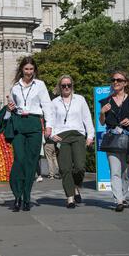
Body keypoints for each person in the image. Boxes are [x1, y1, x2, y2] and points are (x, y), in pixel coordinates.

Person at [5, 56, 54, 212]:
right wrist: (10, 107)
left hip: (34, 123)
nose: (29, 72)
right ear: (22, 70)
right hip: (19, 122)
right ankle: (17, 195)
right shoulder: (15, 87)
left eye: (31, 69)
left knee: (31, 163)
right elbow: (11, 105)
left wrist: (49, 126)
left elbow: (47, 105)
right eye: (26, 69)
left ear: (34, 70)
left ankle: (26, 197)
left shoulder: (40, 85)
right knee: (19, 160)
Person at [99, 71, 129, 212]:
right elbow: (102, 123)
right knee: (115, 171)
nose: (116, 82)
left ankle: (123, 196)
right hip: (112, 139)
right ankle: (118, 200)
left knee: (126, 173)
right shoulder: (105, 101)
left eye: (119, 80)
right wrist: (102, 112)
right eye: (113, 80)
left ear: (125, 83)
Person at [50, 75, 95, 208]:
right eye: (63, 85)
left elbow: (87, 118)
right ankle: (70, 197)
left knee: (80, 167)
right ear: (60, 87)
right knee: (65, 168)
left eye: (68, 85)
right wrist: (52, 134)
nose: (66, 88)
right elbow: (50, 120)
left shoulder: (80, 99)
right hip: (61, 137)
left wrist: (90, 136)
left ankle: (75, 186)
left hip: (78, 135)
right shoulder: (55, 102)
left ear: (72, 86)